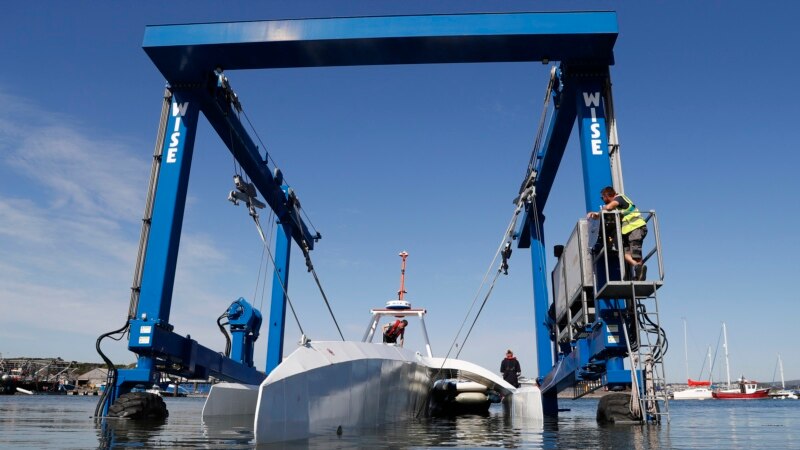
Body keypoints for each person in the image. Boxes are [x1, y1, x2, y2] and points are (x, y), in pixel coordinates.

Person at [587, 186, 648, 280]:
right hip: (629, 231)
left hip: (636, 228)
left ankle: (640, 276)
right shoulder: (619, 203)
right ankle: (638, 270)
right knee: (624, 253)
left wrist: (597, 214)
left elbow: (609, 207)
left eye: (602, 198)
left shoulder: (619, 198)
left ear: (606, 195)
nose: (602, 200)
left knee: (635, 254)